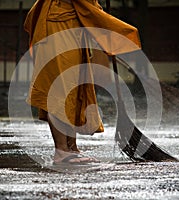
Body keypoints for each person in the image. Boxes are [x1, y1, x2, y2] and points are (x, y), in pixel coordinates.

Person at [24, 0, 141, 165]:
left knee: (74, 90)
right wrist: (106, 26)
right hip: (58, 25)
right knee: (60, 90)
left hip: (72, 25)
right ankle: (61, 151)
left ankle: (72, 148)